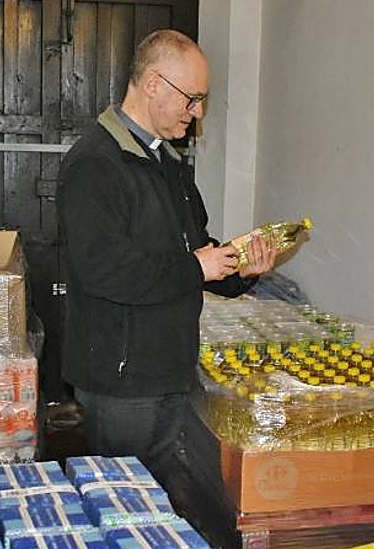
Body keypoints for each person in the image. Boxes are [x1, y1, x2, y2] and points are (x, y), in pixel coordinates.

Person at [57, 29, 277, 501]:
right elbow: (104, 270)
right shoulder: (95, 165)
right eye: (192, 99)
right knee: (120, 506)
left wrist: (244, 267)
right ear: (153, 83)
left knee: (156, 505)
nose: (197, 113)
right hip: (121, 383)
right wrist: (197, 267)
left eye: (201, 101)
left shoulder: (168, 165)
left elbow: (195, 252)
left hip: (167, 369)